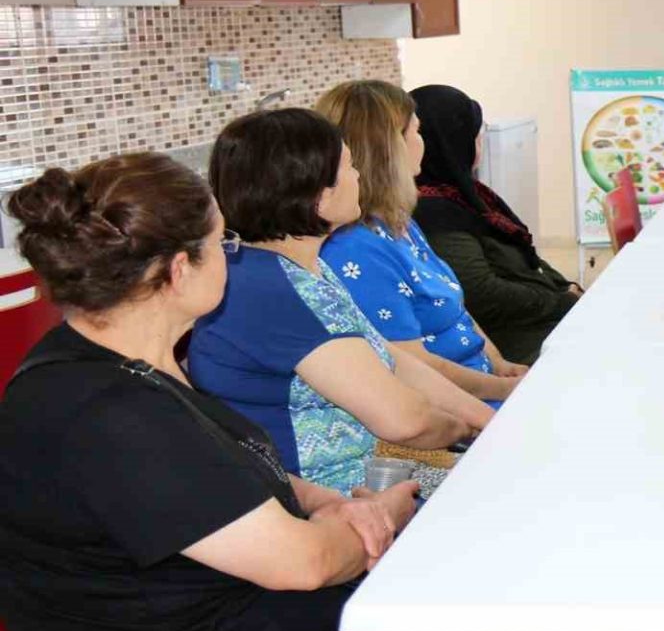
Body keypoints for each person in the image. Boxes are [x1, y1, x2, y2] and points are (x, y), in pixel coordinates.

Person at [0, 153, 419, 631]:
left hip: (257, 624)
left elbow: (222, 468)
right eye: (223, 242)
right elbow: (305, 564)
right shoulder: (107, 414)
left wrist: (323, 503)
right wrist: (382, 517)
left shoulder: (108, 358)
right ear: (179, 270)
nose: (231, 255)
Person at [190, 109, 491, 496]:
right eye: (349, 166)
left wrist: (484, 418)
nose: (359, 176)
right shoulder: (274, 293)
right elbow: (405, 422)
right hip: (337, 497)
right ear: (320, 196)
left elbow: (391, 359)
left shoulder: (288, 266)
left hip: (368, 470)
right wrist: (470, 431)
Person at [316, 80, 528, 399]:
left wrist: (498, 363)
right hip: (448, 404)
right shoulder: (357, 250)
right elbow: (411, 368)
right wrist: (503, 389)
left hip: (479, 383)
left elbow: (455, 308)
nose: (422, 141)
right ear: (390, 148)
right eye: (416, 131)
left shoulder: (397, 223)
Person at [410, 84, 581, 365]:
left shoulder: (466, 195)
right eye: (475, 137)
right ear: (451, 142)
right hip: (513, 343)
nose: (479, 145)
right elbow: (481, 294)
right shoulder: (433, 212)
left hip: (537, 321)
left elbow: (526, 258)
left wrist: (564, 286)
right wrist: (561, 301)